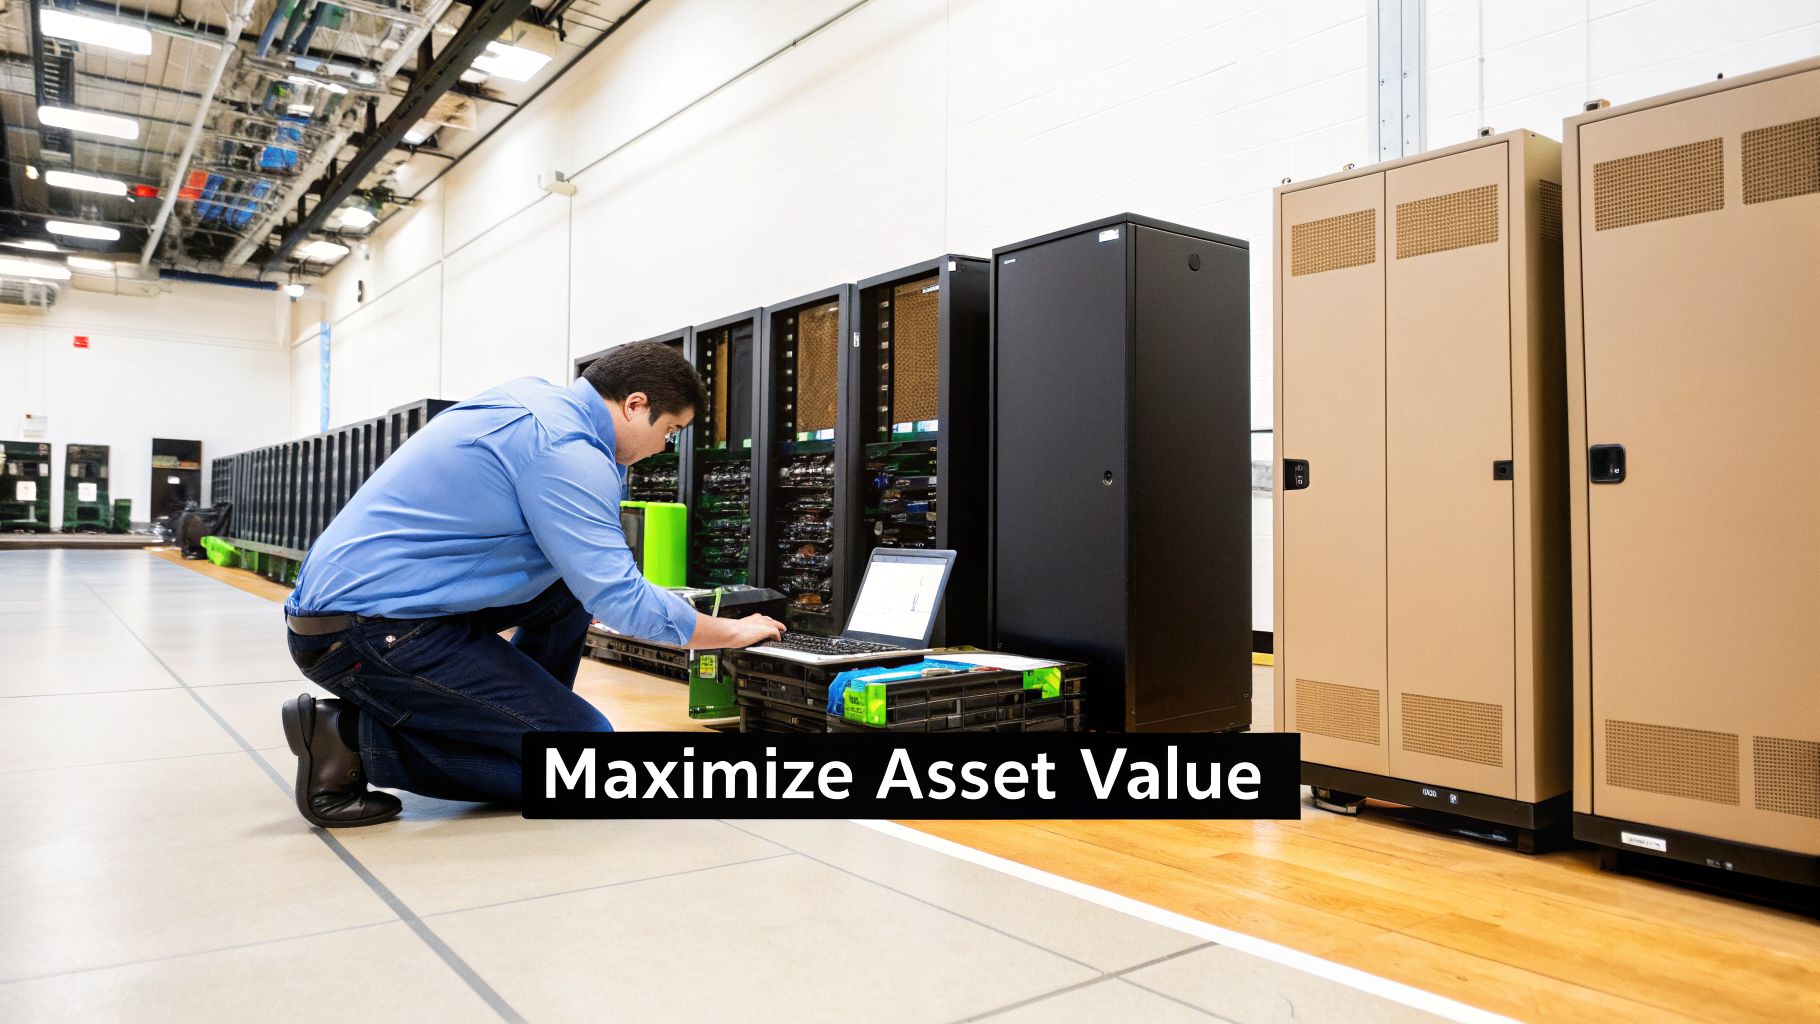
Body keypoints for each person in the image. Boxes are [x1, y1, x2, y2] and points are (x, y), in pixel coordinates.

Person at [279, 342, 785, 828]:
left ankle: (518, 725)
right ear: (636, 406)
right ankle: (348, 739)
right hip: (361, 634)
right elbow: (621, 600)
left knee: (566, 584)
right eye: (672, 430)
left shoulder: (532, 399)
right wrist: (726, 631)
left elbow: (588, 580)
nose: (663, 447)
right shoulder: (567, 450)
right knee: (585, 771)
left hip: (378, 613)